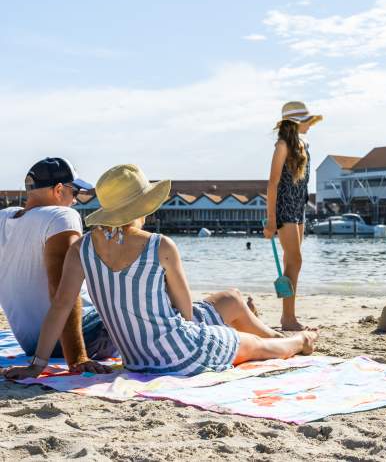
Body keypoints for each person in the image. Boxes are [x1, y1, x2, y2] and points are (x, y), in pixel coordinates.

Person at [2, 164, 317, 381]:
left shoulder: (80, 249)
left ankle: (273, 331)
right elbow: (185, 314)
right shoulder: (160, 246)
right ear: (143, 207)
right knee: (252, 345)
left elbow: (60, 307)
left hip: (136, 359)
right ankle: (299, 341)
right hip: (179, 356)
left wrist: (37, 365)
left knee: (231, 301)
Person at [0, 158, 113, 373]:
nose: (76, 201)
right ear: (59, 189)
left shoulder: (3, 218)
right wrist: (77, 357)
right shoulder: (61, 217)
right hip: (77, 335)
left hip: (32, 344)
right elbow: (61, 290)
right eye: (75, 192)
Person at [263, 101, 322, 331]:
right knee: (295, 260)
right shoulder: (282, 146)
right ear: (296, 123)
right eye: (307, 121)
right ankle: (288, 318)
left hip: (299, 209)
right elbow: (272, 183)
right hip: (284, 210)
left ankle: (288, 316)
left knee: (292, 262)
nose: (310, 125)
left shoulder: (302, 144)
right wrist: (270, 219)